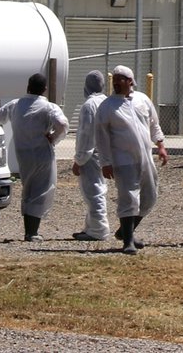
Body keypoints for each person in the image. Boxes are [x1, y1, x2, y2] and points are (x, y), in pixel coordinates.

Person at [0, 72, 69, 241]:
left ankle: (28, 229)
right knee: (41, 190)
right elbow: (63, 124)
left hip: (23, 154)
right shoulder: (49, 107)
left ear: (28, 87)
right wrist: (54, 138)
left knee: (28, 188)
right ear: (45, 90)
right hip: (42, 154)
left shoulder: (15, 104)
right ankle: (32, 232)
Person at [93, 64, 166, 253]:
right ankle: (128, 242)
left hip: (145, 159)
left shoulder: (142, 100)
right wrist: (105, 162)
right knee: (129, 198)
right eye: (114, 79)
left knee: (149, 197)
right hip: (123, 160)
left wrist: (161, 145)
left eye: (121, 79)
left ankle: (127, 231)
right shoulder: (107, 106)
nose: (116, 82)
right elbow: (101, 137)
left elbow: (153, 124)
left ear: (130, 81)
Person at [69, 70, 110, 241]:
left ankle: (99, 229)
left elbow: (86, 136)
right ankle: (90, 227)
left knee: (93, 191)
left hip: (92, 156)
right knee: (99, 189)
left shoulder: (89, 106)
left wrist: (79, 160)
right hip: (106, 154)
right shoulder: (107, 102)